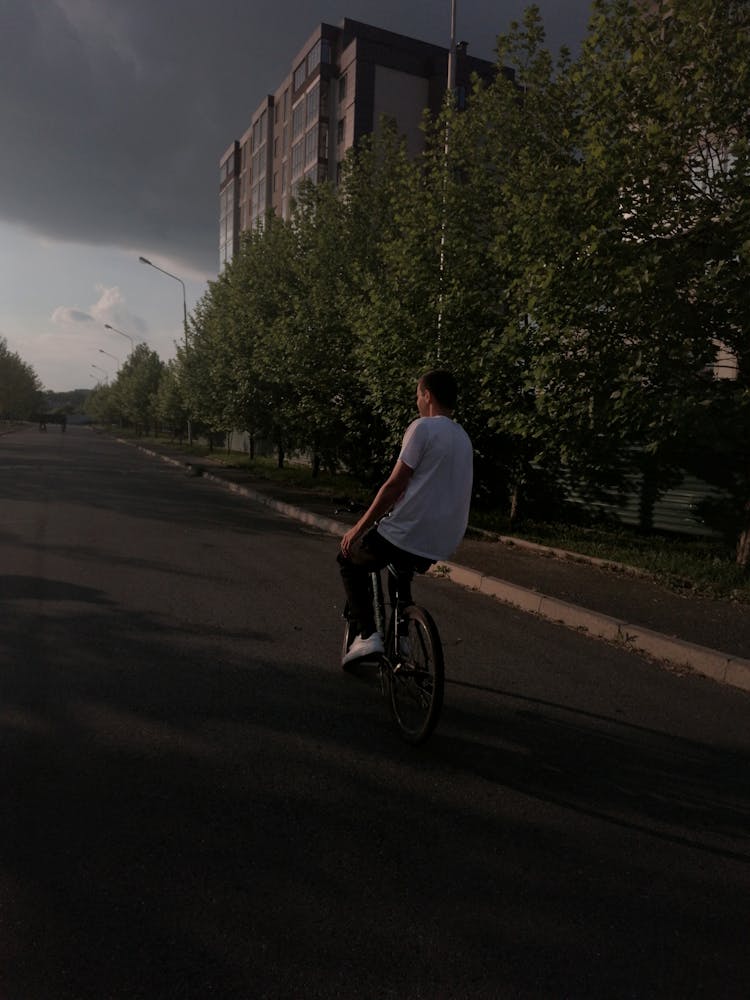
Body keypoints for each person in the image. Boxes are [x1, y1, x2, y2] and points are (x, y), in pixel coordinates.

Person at [338, 369, 473, 666]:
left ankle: (368, 636)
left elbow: (395, 485)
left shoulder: (422, 428)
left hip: (409, 530)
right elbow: (434, 485)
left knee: (348, 559)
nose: (417, 401)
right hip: (444, 539)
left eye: (417, 395)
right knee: (400, 569)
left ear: (428, 395)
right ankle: (402, 637)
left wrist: (357, 529)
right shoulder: (463, 438)